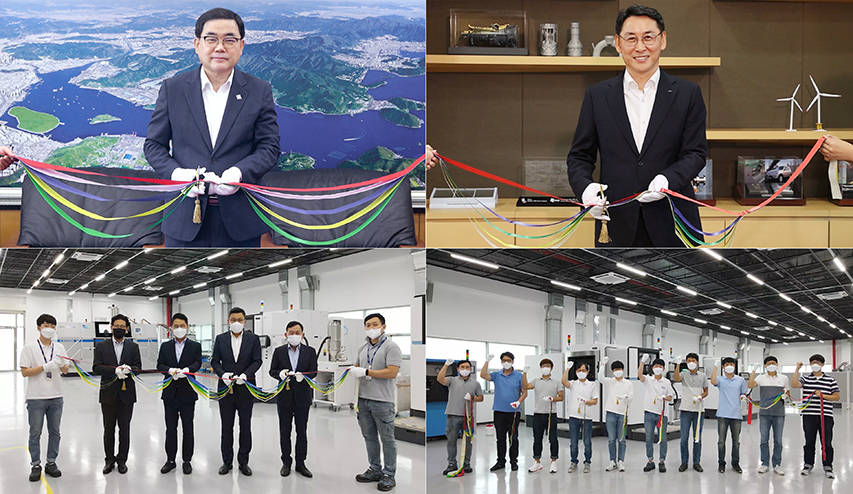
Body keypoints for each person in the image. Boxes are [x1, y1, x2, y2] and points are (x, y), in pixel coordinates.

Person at [566, 4, 707, 247]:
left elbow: (695, 153)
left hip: (674, 220)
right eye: (631, 38)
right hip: (616, 222)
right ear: (619, 44)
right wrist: (585, 189)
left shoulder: (688, 94)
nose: (640, 47)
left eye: (648, 37)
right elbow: (579, 156)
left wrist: (668, 179)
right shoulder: (597, 96)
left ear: (662, 40)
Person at [144, 8, 280, 247]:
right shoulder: (172, 89)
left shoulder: (259, 90)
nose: (220, 47)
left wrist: (239, 173)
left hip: (241, 218)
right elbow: (154, 145)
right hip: (184, 214)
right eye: (211, 39)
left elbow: (269, 147)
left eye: (229, 39)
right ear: (197, 44)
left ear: (241, 45)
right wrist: (179, 176)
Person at [349, 313, 403, 491]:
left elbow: (392, 372)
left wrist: (366, 372)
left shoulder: (391, 347)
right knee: (369, 437)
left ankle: (389, 474)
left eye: (375, 324)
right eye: (368, 325)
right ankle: (374, 470)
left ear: (383, 327)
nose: (371, 328)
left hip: (382, 401)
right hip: (363, 400)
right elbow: (358, 367)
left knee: (387, 439)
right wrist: (353, 369)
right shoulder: (362, 348)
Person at [210, 307, 262, 476]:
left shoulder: (253, 339)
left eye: (240, 320)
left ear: (245, 322)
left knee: (245, 426)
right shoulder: (220, 339)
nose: (236, 323)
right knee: (226, 426)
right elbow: (215, 361)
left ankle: (244, 461)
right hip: (226, 389)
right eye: (233, 320)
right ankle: (226, 461)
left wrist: (246, 375)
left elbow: (257, 361)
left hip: (246, 388)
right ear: (228, 322)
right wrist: (222, 374)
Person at [19, 314, 69, 482]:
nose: (50, 328)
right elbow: (25, 372)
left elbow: (66, 371)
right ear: (39, 327)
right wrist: (45, 367)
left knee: (55, 432)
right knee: (35, 433)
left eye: (53, 326)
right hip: (36, 398)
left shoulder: (60, 347)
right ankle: (35, 464)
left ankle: (51, 462)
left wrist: (61, 364)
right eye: (46, 325)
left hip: (56, 397)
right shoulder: (29, 348)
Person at [92, 314, 141, 475]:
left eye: (122, 326)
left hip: (127, 395)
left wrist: (129, 370)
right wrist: (114, 371)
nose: (119, 329)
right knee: (109, 429)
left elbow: (138, 368)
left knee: (124, 429)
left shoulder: (133, 347)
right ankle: (109, 460)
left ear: (127, 329)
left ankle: (122, 461)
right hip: (108, 393)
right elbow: (96, 367)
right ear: (111, 327)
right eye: (116, 326)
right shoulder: (101, 346)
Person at [269, 320, 318, 478]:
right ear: (286, 335)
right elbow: (272, 371)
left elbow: (314, 371)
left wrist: (303, 376)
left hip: (303, 397)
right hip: (284, 397)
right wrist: (280, 374)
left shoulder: (310, 351)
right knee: (285, 431)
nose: (294, 335)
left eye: (297, 333)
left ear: (303, 335)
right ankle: (286, 462)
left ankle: (301, 463)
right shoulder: (279, 351)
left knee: (301, 431)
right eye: (291, 332)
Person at [156, 313, 202, 475]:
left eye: (182, 326)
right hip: (169, 394)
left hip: (188, 393)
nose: (179, 329)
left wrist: (188, 370)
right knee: (170, 428)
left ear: (187, 327)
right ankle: (170, 460)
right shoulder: (165, 346)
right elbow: (159, 364)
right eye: (176, 326)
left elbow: (198, 362)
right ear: (171, 328)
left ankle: (187, 460)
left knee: (188, 428)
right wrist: (169, 371)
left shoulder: (195, 346)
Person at [791, 354, 841, 479]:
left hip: (826, 416)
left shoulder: (830, 380)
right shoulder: (806, 379)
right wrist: (797, 369)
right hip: (808, 415)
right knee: (809, 441)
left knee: (826, 442)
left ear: (823, 364)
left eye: (818, 362)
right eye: (812, 362)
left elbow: (836, 396)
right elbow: (794, 385)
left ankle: (828, 466)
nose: (815, 364)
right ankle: (808, 464)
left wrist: (823, 395)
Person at [480, 351, 526, 472]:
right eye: (504, 360)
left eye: (509, 360)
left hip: (514, 412)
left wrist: (519, 401)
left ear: (513, 362)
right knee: (500, 438)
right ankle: (500, 462)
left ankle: (514, 461)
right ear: (501, 362)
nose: (506, 362)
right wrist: (487, 361)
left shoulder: (519, 376)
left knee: (513, 438)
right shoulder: (497, 375)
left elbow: (524, 392)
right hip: (499, 411)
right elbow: (483, 375)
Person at [437, 358, 484, 475]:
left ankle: (466, 463)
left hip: (467, 417)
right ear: (458, 369)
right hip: (453, 415)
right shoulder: (452, 380)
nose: (465, 369)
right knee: (451, 441)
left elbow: (481, 398)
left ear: (471, 370)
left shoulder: (475, 383)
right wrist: (446, 365)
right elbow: (440, 379)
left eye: (467, 367)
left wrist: (472, 398)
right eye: (462, 367)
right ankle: (451, 463)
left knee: (468, 442)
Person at [747, 355, 789, 476]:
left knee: (778, 440)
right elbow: (750, 385)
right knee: (764, 440)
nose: (772, 365)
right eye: (769, 363)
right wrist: (753, 371)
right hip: (764, 413)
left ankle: (777, 464)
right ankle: (765, 463)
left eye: (774, 363)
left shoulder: (783, 378)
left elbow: (787, 391)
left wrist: (785, 396)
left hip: (779, 413)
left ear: (777, 364)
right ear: (765, 366)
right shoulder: (761, 378)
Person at [523, 359, 563, 473]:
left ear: (551, 368)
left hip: (551, 414)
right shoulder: (536, 380)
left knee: (553, 438)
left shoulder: (556, 382)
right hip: (538, 414)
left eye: (548, 366)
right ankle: (537, 462)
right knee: (537, 439)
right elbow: (525, 386)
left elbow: (561, 397)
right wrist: (524, 373)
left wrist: (552, 399)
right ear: (540, 368)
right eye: (543, 365)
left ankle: (553, 461)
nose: (545, 367)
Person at [710, 357, 748, 474]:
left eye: (731, 364)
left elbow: (744, 392)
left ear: (735, 366)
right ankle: (721, 463)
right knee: (721, 441)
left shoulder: (740, 380)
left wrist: (743, 396)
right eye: (727, 364)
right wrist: (715, 367)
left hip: (736, 415)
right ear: (723, 367)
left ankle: (735, 463)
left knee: (736, 441)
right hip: (722, 414)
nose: (729, 366)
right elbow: (713, 381)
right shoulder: (721, 379)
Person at [637, 355, 674, 472]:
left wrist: (664, 397)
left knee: (662, 439)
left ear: (663, 369)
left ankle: (662, 461)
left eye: (660, 366)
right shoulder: (648, 380)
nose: (658, 368)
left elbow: (671, 396)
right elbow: (639, 375)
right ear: (652, 368)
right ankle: (650, 461)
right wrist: (642, 362)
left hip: (662, 414)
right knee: (649, 438)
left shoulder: (666, 382)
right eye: (656, 366)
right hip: (649, 413)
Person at [672, 353, 708, 472]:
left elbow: (706, 391)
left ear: (697, 362)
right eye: (688, 361)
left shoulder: (702, 376)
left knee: (697, 438)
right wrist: (677, 364)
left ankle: (696, 462)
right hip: (685, 410)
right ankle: (684, 462)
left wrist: (700, 396)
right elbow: (676, 378)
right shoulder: (683, 374)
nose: (691, 362)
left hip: (698, 411)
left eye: (693, 360)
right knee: (684, 438)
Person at [561, 361, 598, 473]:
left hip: (587, 417)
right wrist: (567, 368)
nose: (581, 372)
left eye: (584, 370)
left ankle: (587, 462)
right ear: (576, 372)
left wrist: (587, 401)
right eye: (579, 370)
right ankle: (573, 462)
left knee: (587, 441)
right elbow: (563, 381)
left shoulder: (592, 385)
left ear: (587, 372)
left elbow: (595, 401)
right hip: (574, 416)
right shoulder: (573, 384)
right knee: (574, 441)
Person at [598, 357, 633, 472]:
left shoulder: (628, 383)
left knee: (621, 439)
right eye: (615, 369)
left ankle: (621, 461)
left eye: (620, 369)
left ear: (623, 370)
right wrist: (602, 365)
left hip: (623, 413)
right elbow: (600, 378)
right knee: (611, 439)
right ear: (613, 371)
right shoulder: (609, 381)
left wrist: (627, 397)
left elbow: (631, 397)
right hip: (611, 413)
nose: (618, 371)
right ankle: (612, 461)